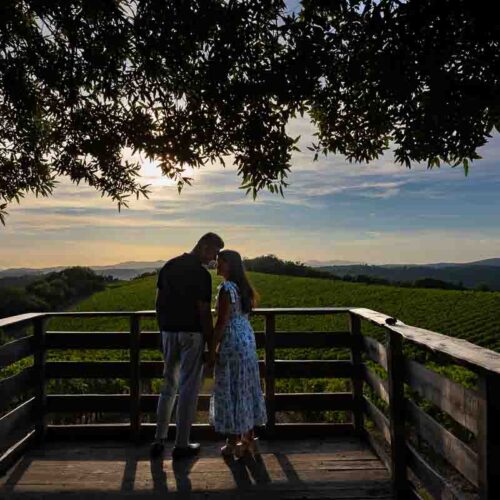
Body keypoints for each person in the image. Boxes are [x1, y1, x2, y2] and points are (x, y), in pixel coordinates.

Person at [150, 232, 224, 459]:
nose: (215, 257)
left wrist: (164, 330)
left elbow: (158, 303)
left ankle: (159, 439)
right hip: (191, 335)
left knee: (168, 386)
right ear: (203, 247)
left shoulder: (169, 266)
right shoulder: (201, 275)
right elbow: (203, 311)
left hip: (169, 333)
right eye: (214, 251)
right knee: (189, 389)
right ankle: (181, 444)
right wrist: (211, 341)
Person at [209, 250, 267, 457]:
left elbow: (222, 322)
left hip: (232, 342)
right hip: (247, 340)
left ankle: (232, 443)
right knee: (246, 387)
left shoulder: (227, 288)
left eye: (221, 262)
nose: (217, 265)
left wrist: (212, 349)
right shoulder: (244, 288)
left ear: (230, 265)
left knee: (231, 389)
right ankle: (249, 440)